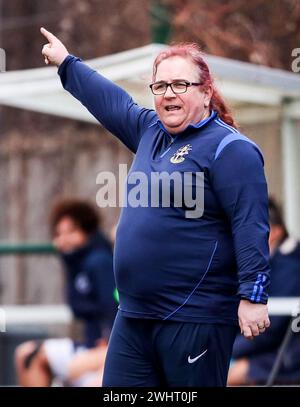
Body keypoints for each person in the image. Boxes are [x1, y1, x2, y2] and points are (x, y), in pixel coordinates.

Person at [39, 27, 271, 387]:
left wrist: (253, 295)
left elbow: (250, 224)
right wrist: (67, 63)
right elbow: (111, 101)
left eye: (180, 85)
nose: (168, 94)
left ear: (206, 91)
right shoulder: (151, 131)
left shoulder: (230, 148)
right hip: (133, 317)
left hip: (194, 319)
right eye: (160, 86)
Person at [15, 199, 117, 386]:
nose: (63, 240)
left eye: (70, 232)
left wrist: (106, 346)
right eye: (59, 234)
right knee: (28, 355)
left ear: (86, 231)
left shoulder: (100, 262)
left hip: (110, 349)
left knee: (82, 376)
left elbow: (114, 307)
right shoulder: (77, 265)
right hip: (88, 345)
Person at [228, 198, 300, 386]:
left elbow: (270, 328)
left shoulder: (291, 266)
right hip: (272, 351)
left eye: (250, 230)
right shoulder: (270, 261)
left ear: (275, 232)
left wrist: (226, 348)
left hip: (287, 358)